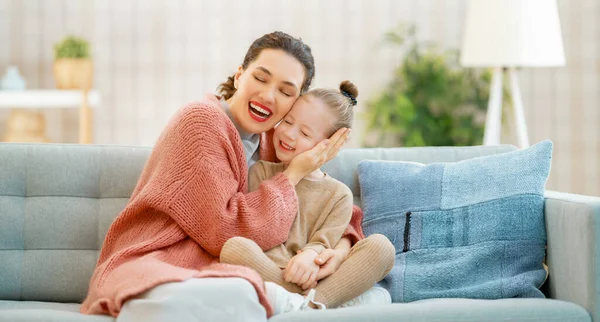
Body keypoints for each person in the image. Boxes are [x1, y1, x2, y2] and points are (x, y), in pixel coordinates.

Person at [80, 31, 359, 322]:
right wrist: (293, 175)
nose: (268, 96)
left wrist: (332, 253)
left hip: (222, 272)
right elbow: (225, 231)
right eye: (261, 78)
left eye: (286, 91)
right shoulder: (201, 121)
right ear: (239, 76)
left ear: (295, 103)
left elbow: (335, 207)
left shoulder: (274, 143)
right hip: (160, 258)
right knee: (226, 297)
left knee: (239, 295)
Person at [220, 81, 395, 315]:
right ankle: (313, 305)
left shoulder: (338, 194)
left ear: (330, 145)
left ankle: (306, 303)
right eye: (288, 121)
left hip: (317, 275)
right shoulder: (261, 172)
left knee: (381, 246)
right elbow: (257, 224)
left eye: (304, 132)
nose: (288, 134)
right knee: (234, 248)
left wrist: (312, 257)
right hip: (272, 269)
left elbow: (325, 241)